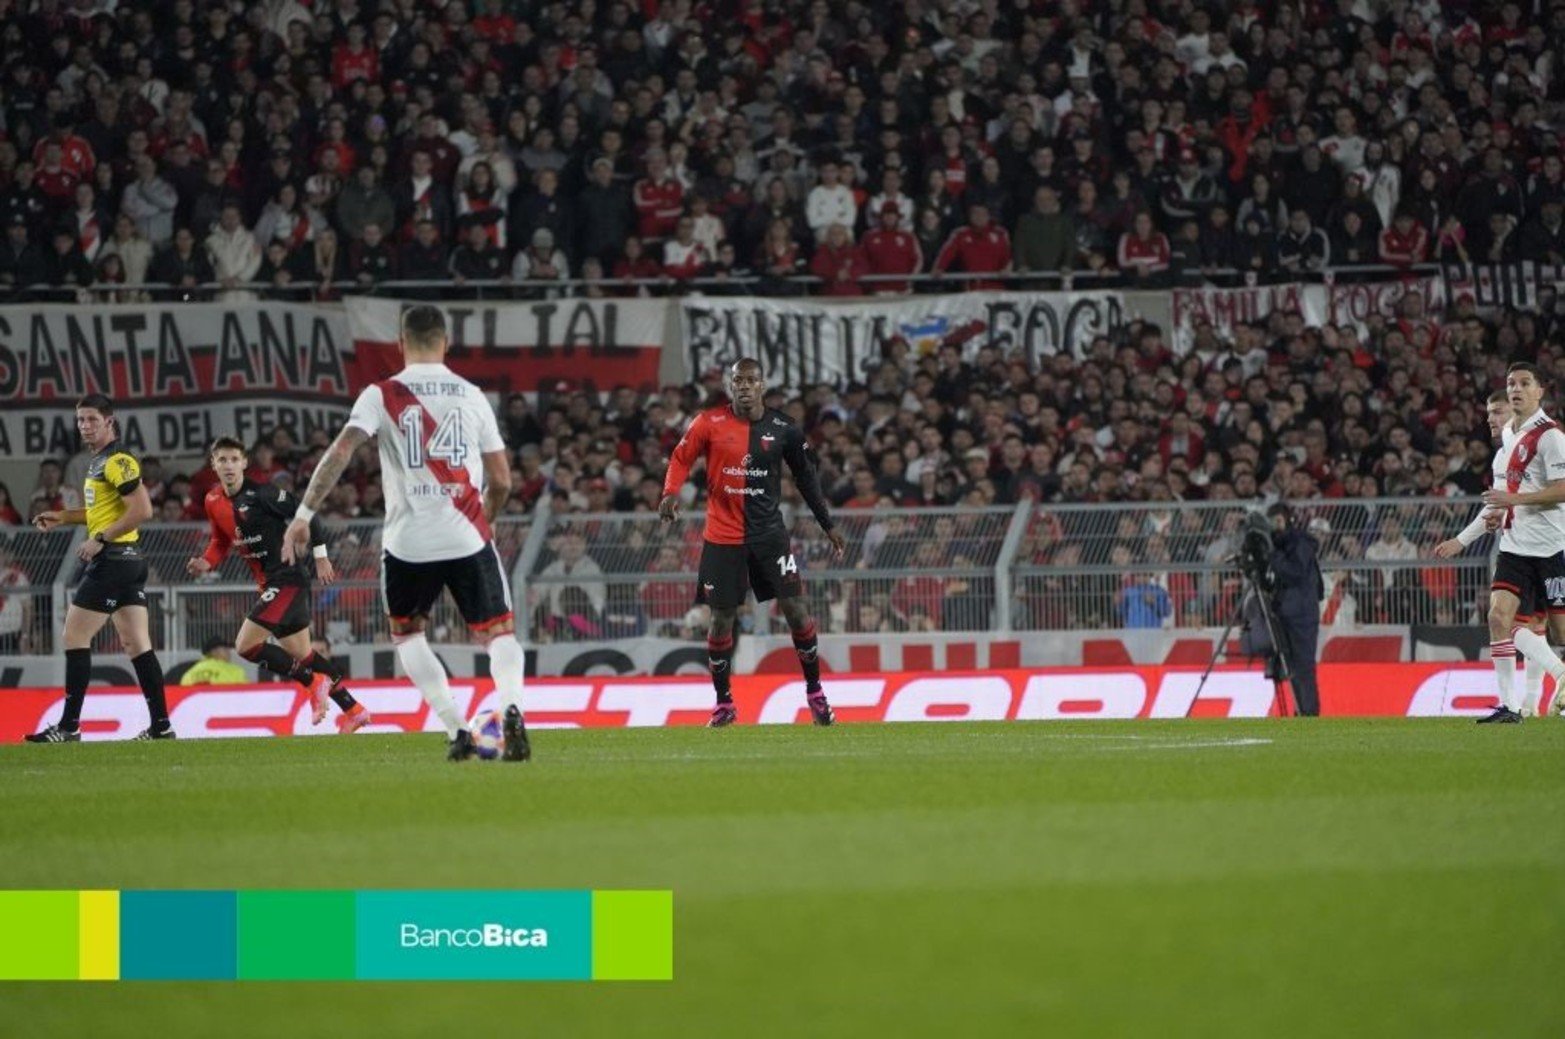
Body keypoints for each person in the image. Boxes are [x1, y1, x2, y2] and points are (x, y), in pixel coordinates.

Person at [281, 305, 529, 761]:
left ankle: (456, 728)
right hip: (466, 535)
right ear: (445, 341)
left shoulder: (381, 394)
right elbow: (504, 480)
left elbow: (342, 451)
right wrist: (485, 521)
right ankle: (511, 707)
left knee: (409, 637)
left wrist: (303, 513)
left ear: (401, 343)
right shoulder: (472, 394)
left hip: (408, 543)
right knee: (500, 636)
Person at [659, 358, 847, 727]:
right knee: (720, 620)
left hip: (768, 536)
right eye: (737, 380)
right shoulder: (707, 422)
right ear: (731, 385)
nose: (744, 386)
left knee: (796, 609)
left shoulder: (784, 429)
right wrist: (669, 493)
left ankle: (815, 693)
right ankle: (724, 703)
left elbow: (806, 478)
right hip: (722, 537)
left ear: (762, 385)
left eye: (750, 380)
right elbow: (681, 458)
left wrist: (827, 523)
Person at [186, 436, 370, 732]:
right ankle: (354, 710)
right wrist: (207, 562)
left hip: (288, 580)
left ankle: (312, 682)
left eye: (234, 459)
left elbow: (307, 516)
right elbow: (220, 540)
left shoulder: (263, 494)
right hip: (270, 584)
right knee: (304, 655)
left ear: (244, 463)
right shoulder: (212, 501)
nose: (229, 466)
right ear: (214, 465)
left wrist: (321, 557)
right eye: (222, 460)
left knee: (245, 645)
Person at [26, 395, 173, 742]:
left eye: (92, 419)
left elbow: (142, 509)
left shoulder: (118, 460)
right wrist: (62, 516)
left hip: (114, 561)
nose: (85, 426)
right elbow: (101, 514)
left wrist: (100, 540)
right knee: (137, 643)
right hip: (127, 561)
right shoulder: (98, 462)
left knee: (74, 635)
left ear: (110, 421)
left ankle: (69, 727)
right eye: (80, 420)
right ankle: (162, 726)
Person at [1433, 391, 1548, 716]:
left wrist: (1461, 540)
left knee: (1529, 623)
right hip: (1519, 548)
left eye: (1497, 412)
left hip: (1547, 547)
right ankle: (1518, 704)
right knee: (1508, 619)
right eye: (1488, 413)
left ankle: (1536, 695)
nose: (1490, 420)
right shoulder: (1502, 457)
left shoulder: (1542, 445)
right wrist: (1464, 538)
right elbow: (1495, 506)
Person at [1476, 362, 1565, 723]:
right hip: (1515, 546)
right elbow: (1513, 488)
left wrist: (1514, 502)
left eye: (1525, 383)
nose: (1515, 389)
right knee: (1499, 617)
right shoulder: (1511, 433)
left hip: (1551, 547)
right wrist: (1500, 513)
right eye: (1511, 383)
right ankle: (1510, 706)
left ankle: (1557, 679)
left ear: (1540, 391)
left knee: (1558, 631)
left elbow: (1562, 490)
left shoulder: (1551, 436)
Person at [1266, 502, 1324, 716]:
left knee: (1303, 665)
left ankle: (1308, 712)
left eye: (1278, 521)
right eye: (1272, 522)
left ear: (1288, 520)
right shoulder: (1282, 546)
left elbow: (1296, 573)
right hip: (1287, 610)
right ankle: (1301, 708)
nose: (1275, 526)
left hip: (1301, 613)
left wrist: (1273, 557)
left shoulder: (1299, 543)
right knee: (1292, 666)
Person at [180, 636, 247, 686]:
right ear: (214, 652)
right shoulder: (235, 671)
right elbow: (245, 694)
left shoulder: (190, 673)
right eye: (225, 649)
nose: (229, 652)